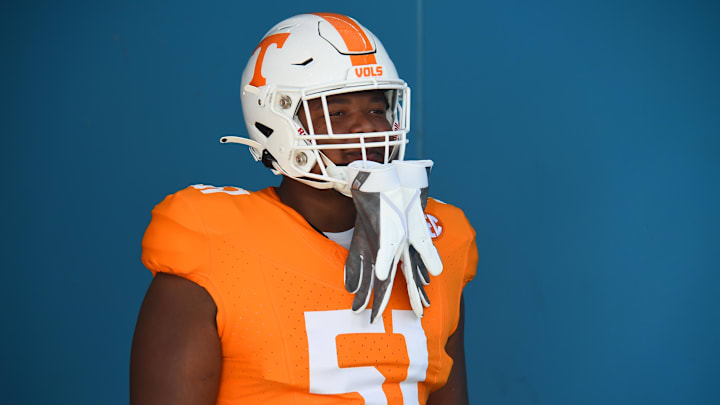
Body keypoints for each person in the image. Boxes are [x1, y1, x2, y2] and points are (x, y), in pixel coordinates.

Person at [130, 13, 477, 405]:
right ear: (275, 121)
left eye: (377, 109)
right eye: (338, 112)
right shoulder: (214, 245)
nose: (366, 129)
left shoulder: (432, 241)